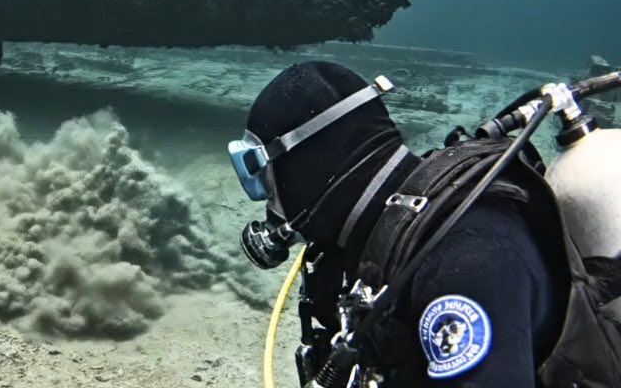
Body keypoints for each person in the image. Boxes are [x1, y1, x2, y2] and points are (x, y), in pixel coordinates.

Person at [225, 61, 621, 387]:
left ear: (307, 162)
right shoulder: (377, 241)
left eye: (259, 173)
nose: (266, 198)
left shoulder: (465, 261)